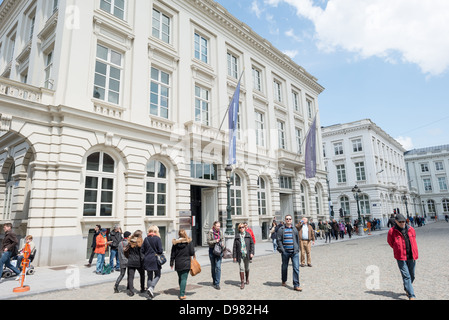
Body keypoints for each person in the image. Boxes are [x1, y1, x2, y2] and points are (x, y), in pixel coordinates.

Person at [387, 214, 419, 300]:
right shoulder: (392, 231)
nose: (402, 223)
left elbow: (414, 239)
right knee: (406, 276)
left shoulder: (411, 229)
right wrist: (398, 249)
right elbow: (390, 242)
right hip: (400, 256)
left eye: (403, 221)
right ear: (396, 221)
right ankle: (411, 295)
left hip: (412, 255)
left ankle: (407, 287)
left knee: (412, 275)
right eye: (400, 222)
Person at [276, 215, 302, 291]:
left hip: (294, 252)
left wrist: (297, 249)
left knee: (296, 268)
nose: (288, 220)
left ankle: (296, 285)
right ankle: (284, 280)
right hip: (285, 252)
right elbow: (279, 240)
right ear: (285, 220)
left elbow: (297, 239)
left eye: (289, 219)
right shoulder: (281, 229)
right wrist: (283, 250)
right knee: (284, 267)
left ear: (291, 220)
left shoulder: (294, 229)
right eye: (287, 219)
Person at [170, 229, 195, 300]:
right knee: (184, 278)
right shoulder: (189, 242)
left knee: (180, 277)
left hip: (178, 262)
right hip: (186, 262)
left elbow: (172, 254)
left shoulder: (175, 243)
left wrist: (171, 263)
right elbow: (191, 252)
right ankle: (182, 294)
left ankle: (181, 290)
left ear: (179, 234)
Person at [142, 225, 164, 299]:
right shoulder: (157, 239)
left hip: (147, 259)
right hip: (155, 259)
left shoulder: (146, 239)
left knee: (149, 276)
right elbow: (160, 250)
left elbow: (142, 250)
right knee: (158, 275)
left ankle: (149, 295)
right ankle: (151, 288)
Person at [233, 223, 255, 289]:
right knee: (241, 268)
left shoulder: (248, 235)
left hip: (247, 254)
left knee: (247, 268)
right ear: (239, 229)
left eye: (243, 227)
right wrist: (234, 256)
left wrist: (252, 253)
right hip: (240, 255)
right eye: (240, 227)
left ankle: (247, 278)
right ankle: (242, 282)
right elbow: (234, 247)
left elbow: (252, 244)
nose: (242, 228)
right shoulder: (237, 237)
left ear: (245, 228)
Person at [126, 230, 145, 296]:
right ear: (140, 235)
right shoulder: (140, 243)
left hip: (131, 260)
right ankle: (142, 288)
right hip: (138, 261)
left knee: (131, 277)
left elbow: (127, 251)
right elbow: (142, 254)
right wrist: (143, 261)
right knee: (142, 275)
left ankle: (131, 291)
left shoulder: (130, 241)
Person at [207, 221, 225, 290]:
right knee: (213, 267)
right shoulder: (210, 232)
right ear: (214, 226)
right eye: (217, 226)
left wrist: (223, 244)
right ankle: (214, 280)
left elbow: (223, 239)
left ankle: (217, 283)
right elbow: (208, 242)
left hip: (219, 251)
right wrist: (215, 241)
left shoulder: (220, 232)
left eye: (219, 226)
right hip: (212, 251)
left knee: (218, 267)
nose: (218, 227)